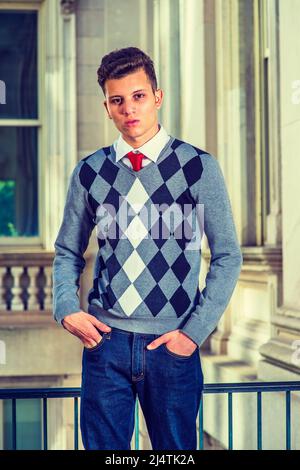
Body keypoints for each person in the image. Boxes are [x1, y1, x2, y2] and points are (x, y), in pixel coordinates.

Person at [52, 46, 243, 451]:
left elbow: (227, 255)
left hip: (172, 346)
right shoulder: (89, 172)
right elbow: (68, 251)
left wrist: (192, 334)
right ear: (106, 107)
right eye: (117, 100)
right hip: (106, 345)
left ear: (157, 97)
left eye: (138, 96)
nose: (129, 109)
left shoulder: (197, 167)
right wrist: (66, 307)